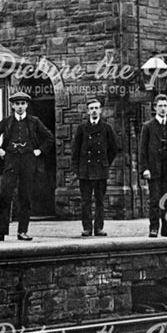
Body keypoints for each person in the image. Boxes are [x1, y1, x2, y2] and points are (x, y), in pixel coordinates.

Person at [0, 91, 54, 241]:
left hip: (28, 161)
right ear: (12, 105)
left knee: (26, 196)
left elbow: (49, 138)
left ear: (27, 105)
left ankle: (22, 231)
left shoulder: (34, 121)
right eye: (17, 104)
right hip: (10, 161)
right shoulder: (7, 122)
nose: (20, 107)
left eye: (23, 103)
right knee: (5, 195)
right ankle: (0, 232)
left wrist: (39, 151)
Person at [137, 94, 167, 238]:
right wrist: (144, 168)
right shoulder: (148, 127)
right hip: (154, 169)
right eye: (160, 106)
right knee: (154, 199)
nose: (163, 109)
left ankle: (166, 228)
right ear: (155, 107)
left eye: (165, 106)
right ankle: (153, 228)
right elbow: (142, 150)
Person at [71, 98, 118, 237]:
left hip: (100, 169)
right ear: (87, 111)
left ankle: (99, 228)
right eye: (91, 108)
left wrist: (105, 163)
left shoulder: (106, 128)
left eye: (96, 108)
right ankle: (87, 228)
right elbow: (75, 150)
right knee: (85, 201)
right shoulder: (82, 128)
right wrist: (77, 169)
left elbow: (113, 149)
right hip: (85, 170)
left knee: (99, 200)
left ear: (100, 110)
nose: (94, 111)